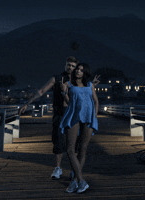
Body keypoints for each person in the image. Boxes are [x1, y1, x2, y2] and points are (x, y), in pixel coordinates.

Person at [19, 57, 100, 180]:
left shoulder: (78, 80)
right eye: (68, 65)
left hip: (76, 115)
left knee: (77, 143)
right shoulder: (57, 79)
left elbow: (86, 94)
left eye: (73, 66)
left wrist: (92, 84)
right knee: (58, 140)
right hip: (60, 113)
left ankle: (75, 171)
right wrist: (27, 103)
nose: (70, 68)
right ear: (65, 65)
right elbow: (41, 91)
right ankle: (58, 167)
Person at [59, 63, 99, 193]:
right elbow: (68, 101)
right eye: (77, 69)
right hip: (73, 116)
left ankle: (75, 181)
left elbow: (96, 101)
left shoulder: (89, 85)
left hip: (88, 117)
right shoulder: (68, 84)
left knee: (83, 149)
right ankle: (81, 180)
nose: (78, 72)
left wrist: (95, 116)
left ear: (85, 72)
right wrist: (62, 91)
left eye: (81, 70)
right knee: (70, 149)